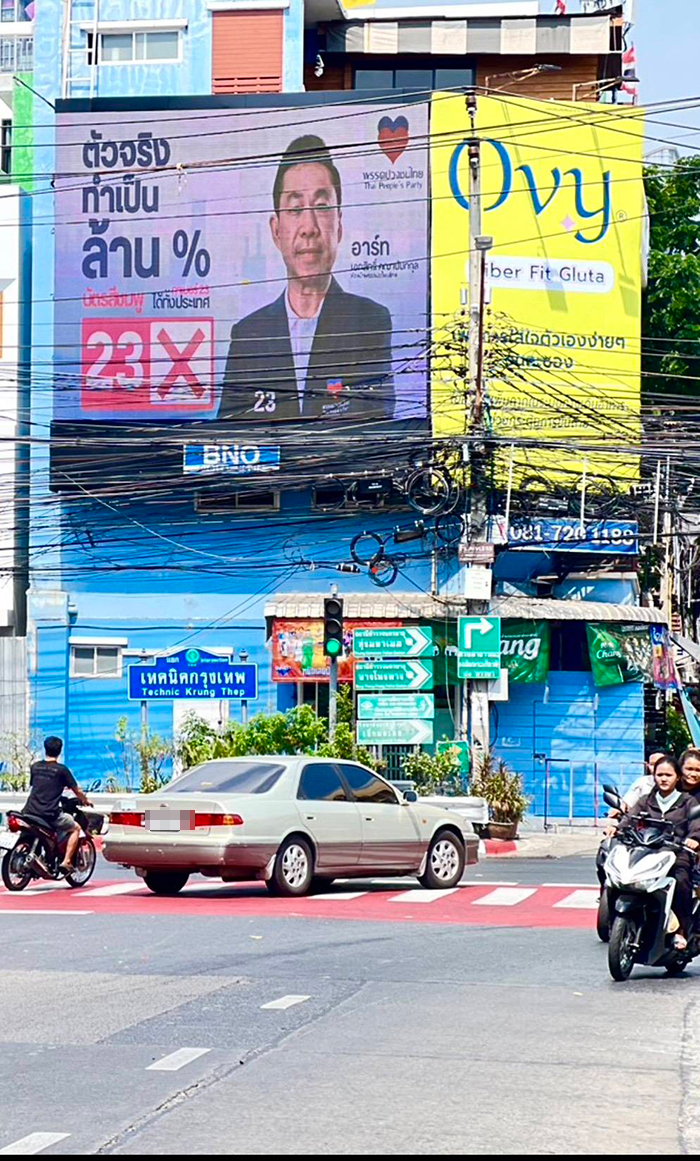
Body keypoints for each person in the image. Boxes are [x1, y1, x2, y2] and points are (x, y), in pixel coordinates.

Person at [220, 134, 395, 424]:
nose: (309, 228)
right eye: (295, 208)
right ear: (276, 230)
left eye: (322, 206)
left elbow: (377, 423)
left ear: (339, 225)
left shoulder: (370, 321)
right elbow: (230, 432)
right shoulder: (248, 335)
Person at [618, 754, 700, 949]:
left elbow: (696, 826)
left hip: (676, 853)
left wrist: (694, 839)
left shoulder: (688, 802)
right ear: (653, 776)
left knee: (681, 881)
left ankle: (681, 930)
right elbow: (629, 818)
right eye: (660, 774)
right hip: (647, 850)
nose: (664, 779)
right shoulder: (646, 800)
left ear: (677, 777)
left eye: (668, 775)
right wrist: (617, 828)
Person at [22, 736, 92, 875]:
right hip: (49, 813)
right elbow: (77, 791)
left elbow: (40, 786)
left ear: (45, 749)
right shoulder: (62, 770)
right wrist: (85, 800)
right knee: (76, 829)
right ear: (60, 750)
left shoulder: (35, 767)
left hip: (29, 811)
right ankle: (66, 861)